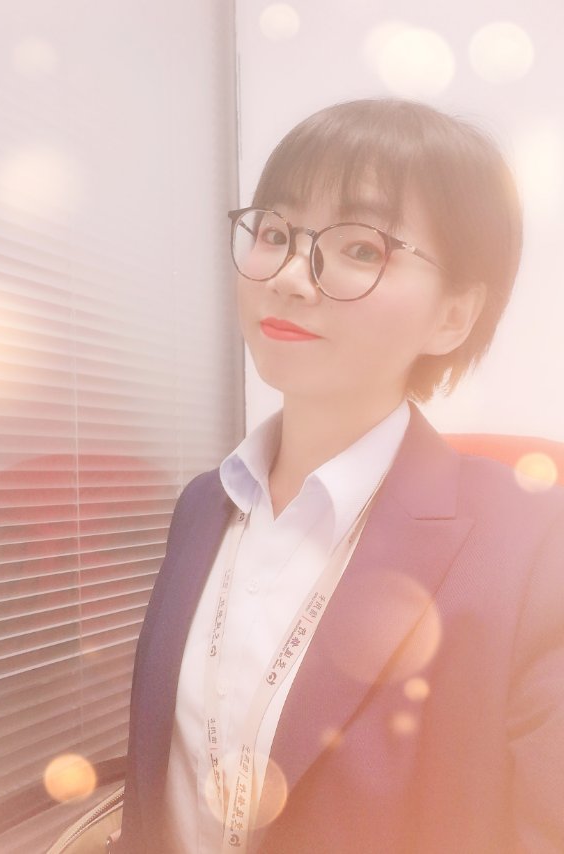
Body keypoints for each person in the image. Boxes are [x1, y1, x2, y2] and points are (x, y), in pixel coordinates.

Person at [116, 99, 564, 853]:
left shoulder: (535, 548)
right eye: (275, 233)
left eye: (360, 247)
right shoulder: (204, 505)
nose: (290, 275)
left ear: (453, 317)